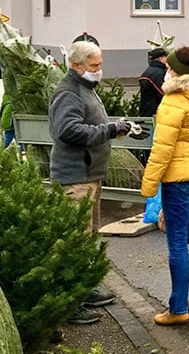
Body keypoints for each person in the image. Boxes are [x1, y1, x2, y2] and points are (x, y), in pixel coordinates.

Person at [49, 40, 130, 324]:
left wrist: (113, 126)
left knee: (87, 238)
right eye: (94, 66)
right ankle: (68, 303)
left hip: (89, 176)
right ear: (77, 65)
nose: (99, 70)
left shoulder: (86, 89)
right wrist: (109, 129)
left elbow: (90, 124)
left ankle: (82, 290)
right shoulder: (69, 92)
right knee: (73, 240)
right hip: (74, 179)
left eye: (100, 64)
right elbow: (68, 130)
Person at [139, 46, 189, 326]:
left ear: (174, 70)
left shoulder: (173, 101)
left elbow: (162, 148)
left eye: (169, 67)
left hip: (178, 178)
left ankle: (177, 309)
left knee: (176, 242)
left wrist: (149, 185)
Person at [139, 48, 168, 118]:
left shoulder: (148, 71)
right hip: (154, 111)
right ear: (161, 58)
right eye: (165, 57)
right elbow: (163, 92)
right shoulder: (158, 73)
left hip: (146, 109)